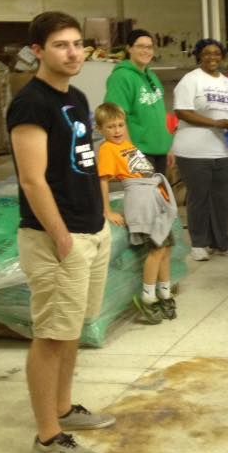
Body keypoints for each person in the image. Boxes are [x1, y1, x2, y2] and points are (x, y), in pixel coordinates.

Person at [7, 11, 115, 453]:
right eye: (61, 45)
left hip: (90, 228)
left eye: (77, 44)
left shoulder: (76, 95)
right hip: (58, 237)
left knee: (71, 331)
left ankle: (64, 409)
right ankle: (48, 437)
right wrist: (61, 237)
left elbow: (82, 162)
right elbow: (33, 181)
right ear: (37, 51)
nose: (74, 53)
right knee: (51, 335)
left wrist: (102, 218)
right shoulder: (31, 104)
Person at [95, 103, 179, 325]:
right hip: (140, 201)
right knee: (156, 248)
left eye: (120, 125)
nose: (117, 130)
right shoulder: (107, 149)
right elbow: (102, 180)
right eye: (110, 127)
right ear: (100, 130)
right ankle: (148, 297)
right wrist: (107, 210)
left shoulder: (127, 144)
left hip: (153, 195)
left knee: (166, 247)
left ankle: (164, 291)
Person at [172, 39, 228, 261]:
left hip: (227, 150)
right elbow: (182, 112)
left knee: (222, 199)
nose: (212, 57)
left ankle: (221, 242)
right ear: (198, 56)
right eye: (206, 53)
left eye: (217, 53)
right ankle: (199, 243)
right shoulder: (190, 80)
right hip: (195, 151)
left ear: (222, 57)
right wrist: (215, 123)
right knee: (199, 197)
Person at [104, 29, 172, 175]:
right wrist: (131, 153)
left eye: (149, 47)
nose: (146, 51)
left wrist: (168, 146)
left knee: (159, 196)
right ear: (129, 48)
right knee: (143, 196)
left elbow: (160, 113)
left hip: (160, 151)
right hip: (139, 152)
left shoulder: (151, 75)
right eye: (140, 46)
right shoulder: (121, 77)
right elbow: (115, 117)